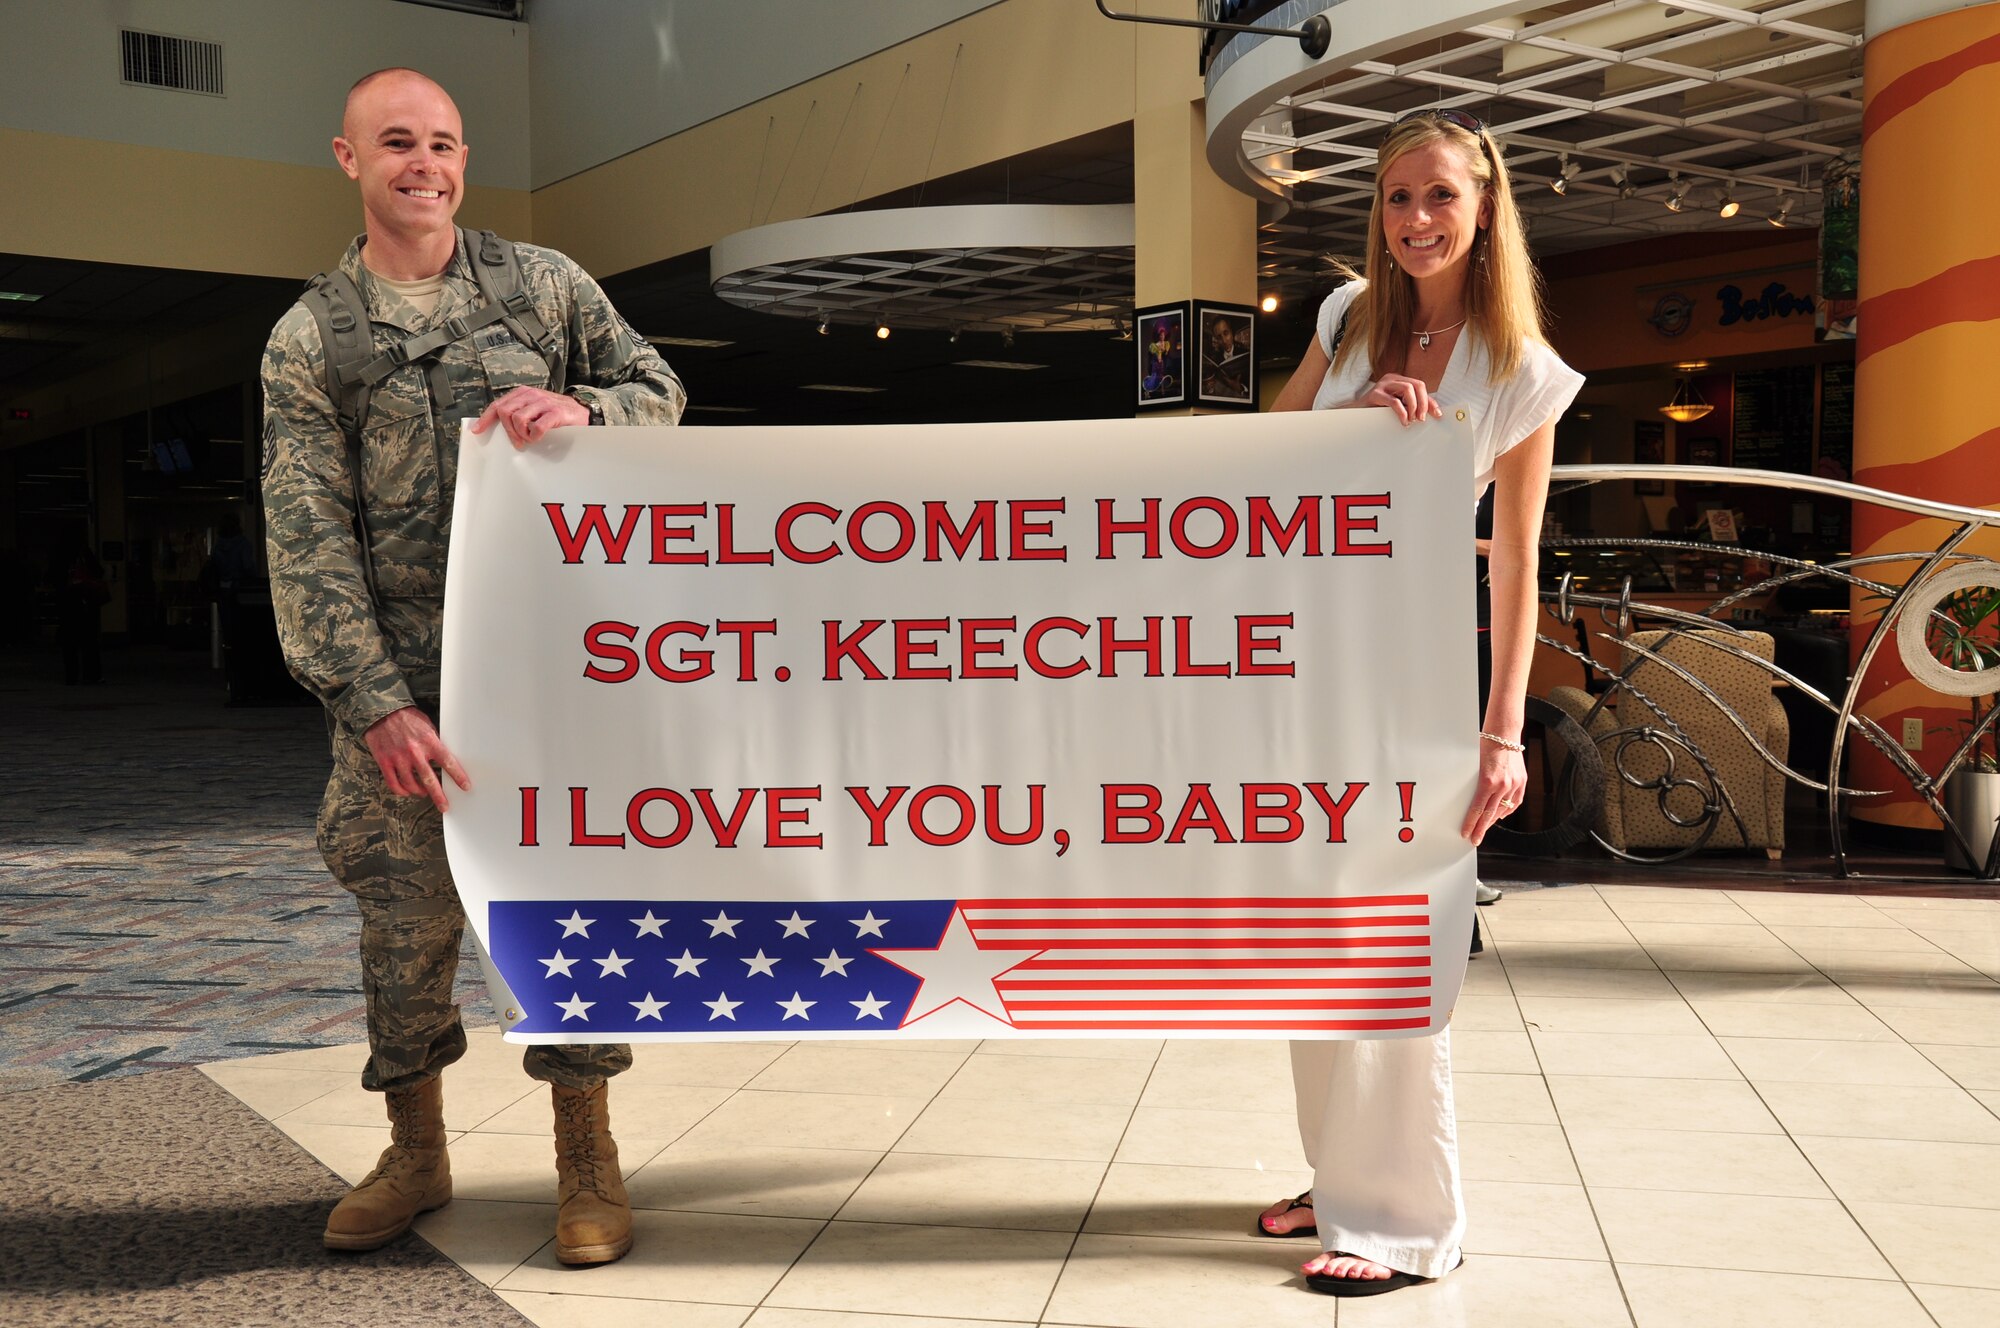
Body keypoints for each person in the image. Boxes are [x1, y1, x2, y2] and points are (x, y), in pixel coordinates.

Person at [261, 68, 685, 1266]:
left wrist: (588, 411)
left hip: (555, 683)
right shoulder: (312, 337)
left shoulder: (543, 286)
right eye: (397, 142)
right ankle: (415, 1148)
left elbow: (659, 388)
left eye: (443, 143)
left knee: (567, 910)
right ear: (349, 158)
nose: (425, 165)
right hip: (405, 696)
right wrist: (374, 703)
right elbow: (304, 533)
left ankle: (587, 1155)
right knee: (402, 929)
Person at [1256, 107, 1582, 1296]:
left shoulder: (1522, 371)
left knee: (1388, 934)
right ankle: (1335, 1170)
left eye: (1439, 194)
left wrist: (1502, 732)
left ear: (1484, 207)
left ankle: (1398, 1216)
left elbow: (1516, 562)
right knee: (1310, 932)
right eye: (1396, 196)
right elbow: (1258, 459)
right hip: (1301, 667)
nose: (1415, 218)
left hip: (1411, 679)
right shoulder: (1347, 316)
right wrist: (1351, 419)